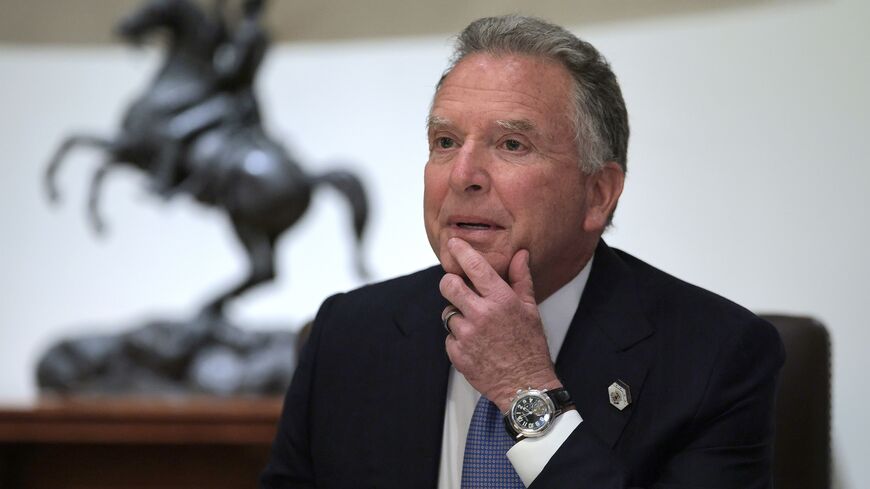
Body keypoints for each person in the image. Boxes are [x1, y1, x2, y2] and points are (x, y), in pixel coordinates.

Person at [260, 14, 784, 489]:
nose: (463, 175)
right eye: (445, 142)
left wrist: (526, 390)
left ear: (598, 194)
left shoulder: (716, 356)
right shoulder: (347, 335)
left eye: (512, 145)